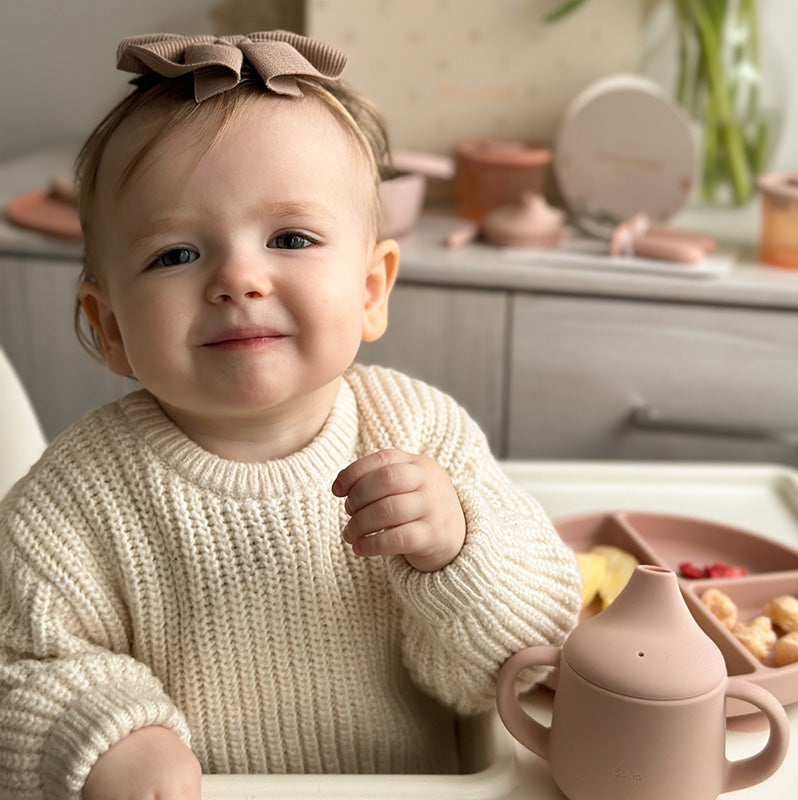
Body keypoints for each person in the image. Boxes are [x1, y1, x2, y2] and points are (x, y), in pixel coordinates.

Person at [0, 31, 581, 800]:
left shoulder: (421, 435)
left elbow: (529, 659)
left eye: (291, 238)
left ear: (371, 289)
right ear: (108, 327)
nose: (240, 277)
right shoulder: (74, 501)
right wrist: (105, 733)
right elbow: (22, 665)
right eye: (176, 254)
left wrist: (459, 550)